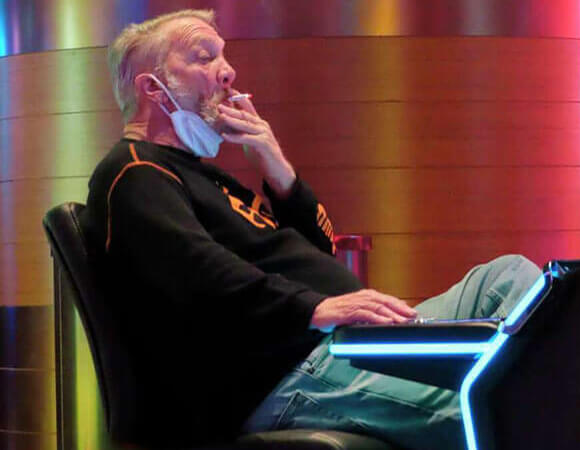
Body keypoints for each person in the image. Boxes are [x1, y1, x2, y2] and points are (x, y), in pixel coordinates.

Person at [83, 9, 542, 449]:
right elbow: (196, 275)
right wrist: (316, 307)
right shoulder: (133, 172)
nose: (228, 73)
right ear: (153, 88)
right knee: (493, 407)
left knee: (508, 277)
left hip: (338, 344)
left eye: (224, 56)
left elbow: (319, 251)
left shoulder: (204, 175)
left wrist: (277, 168)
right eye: (205, 58)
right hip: (282, 372)